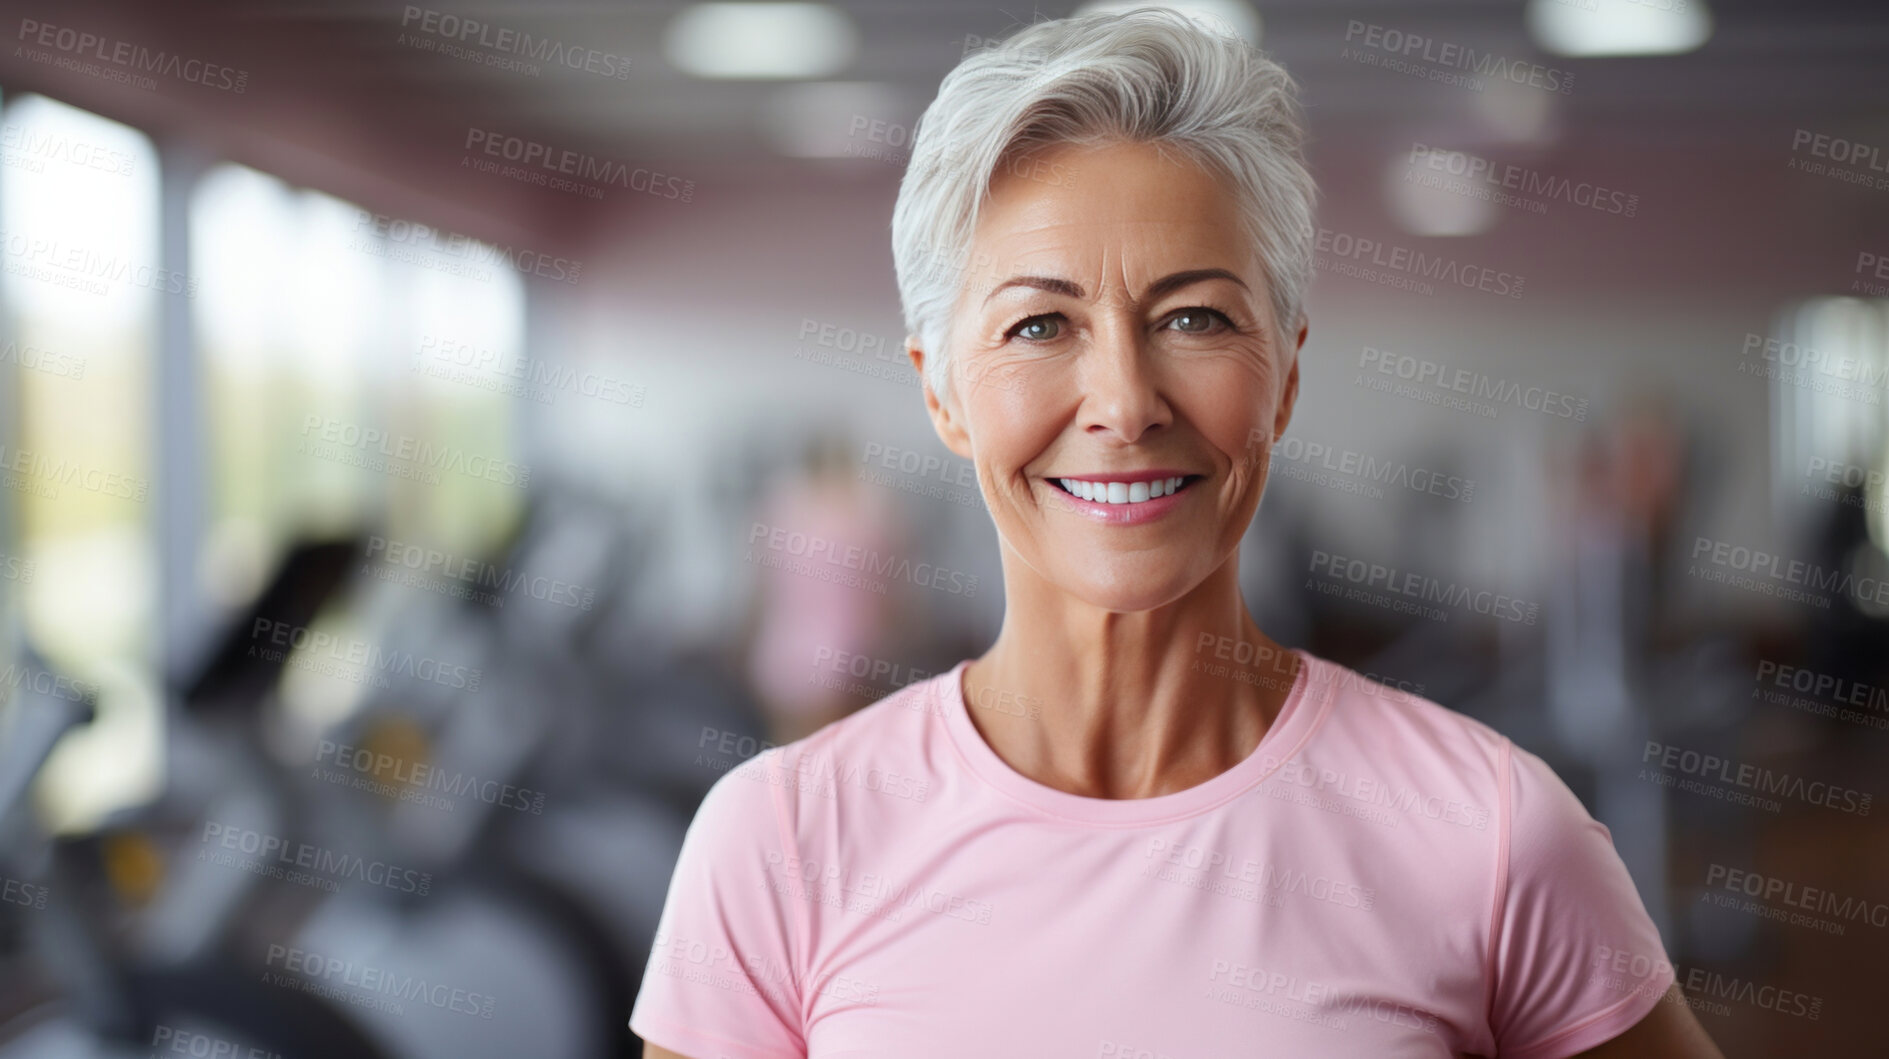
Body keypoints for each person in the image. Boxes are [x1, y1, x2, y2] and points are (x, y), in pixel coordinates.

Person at [632, 9, 1723, 1056]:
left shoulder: (1489, 832)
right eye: (1038, 324)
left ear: (1283, 376)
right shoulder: (775, 840)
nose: (1123, 401)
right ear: (945, 396)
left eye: (1192, 317)